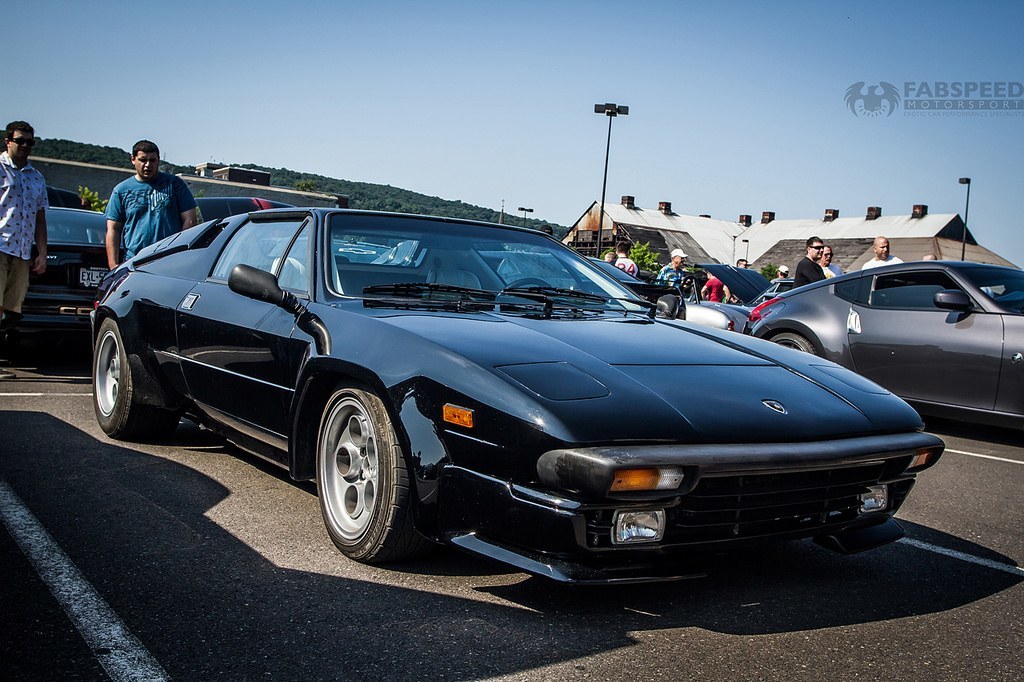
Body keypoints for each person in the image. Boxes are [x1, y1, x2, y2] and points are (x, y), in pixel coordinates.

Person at [0, 121, 48, 377]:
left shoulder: (36, 177)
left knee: (11, 310)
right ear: (8, 141)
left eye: (30, 142)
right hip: (0, 245)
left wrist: (41, 252)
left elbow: (40, 217)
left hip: (21, 251)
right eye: (21, 141)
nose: (25, 146)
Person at [105, 140, 198, 269]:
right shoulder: (121, 190)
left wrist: (178, 252)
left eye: (152, 160)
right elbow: (113, 229)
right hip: (134, 262)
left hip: (169, 261)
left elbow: (191, 220)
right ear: (133, 159)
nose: (148, 165)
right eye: (143, 160)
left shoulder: (174, 184)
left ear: (158, 160)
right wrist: (113, 264)